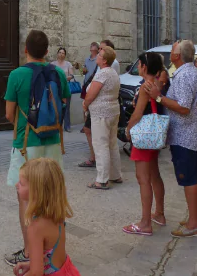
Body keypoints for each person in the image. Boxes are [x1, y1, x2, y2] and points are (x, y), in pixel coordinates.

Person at [4, 30, 70, 266]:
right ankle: (54, 248)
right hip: (52, 141)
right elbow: (63, 102)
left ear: (26, 50)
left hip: (25, 143)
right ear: (47, 51)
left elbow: (9, 113)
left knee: (25, 197)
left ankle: (30, 252)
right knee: (51, 194)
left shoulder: (17, 75)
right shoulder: (58, 73)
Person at [144, 40, 197, 237]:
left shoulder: (185, 75)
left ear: (177, 56)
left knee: (189, 179)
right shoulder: (195, 73)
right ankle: (195, 217)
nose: (170, 52)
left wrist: (158, 96)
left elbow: (184, 107)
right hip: (193, 135)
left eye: (173, 50)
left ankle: (194, 224)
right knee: (194, 177)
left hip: (185, 136)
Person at [123, 52, 166, 236]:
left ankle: (145, 222)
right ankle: (159, 214)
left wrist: (128, 129)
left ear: (144, 67)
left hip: (144, 136)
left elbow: (138, 112)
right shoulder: (157, 84)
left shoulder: (145, 87)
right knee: (154, 175)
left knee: (143, 179)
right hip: (153, 135)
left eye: (139, 64)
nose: (138, 66)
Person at [83, 45, 122, 189]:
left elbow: (91, 94)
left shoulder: (102, 74)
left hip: (101, 113)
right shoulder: (113, 73)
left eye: (99, 55)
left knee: (100, 145)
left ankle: (102, 179)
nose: (97, 57)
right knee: (112, 143)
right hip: (112, 111)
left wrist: (85, 105)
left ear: (104, 60)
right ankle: (115, 175)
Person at [54, 47, 75, 132]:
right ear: (57, 53)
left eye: (63, 53)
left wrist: (63, 79)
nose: (61, 54)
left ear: (65, 55)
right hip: (56, 88)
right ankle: (56, 125)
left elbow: (72, 75)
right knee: (56, 106)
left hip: (66, 87)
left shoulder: (68, 64)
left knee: (66, 107)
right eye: (60, 52)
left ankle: (67, 126)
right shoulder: (53, 64)